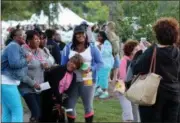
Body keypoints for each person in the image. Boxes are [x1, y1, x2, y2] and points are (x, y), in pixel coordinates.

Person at [133, 17, 180, 122]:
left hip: (153, 96)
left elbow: (136, 68)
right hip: (174, 95)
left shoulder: (151, 52)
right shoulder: (176, 52)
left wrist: (139, 53)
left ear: (157, 34)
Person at [61, 25, 103, 123]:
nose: (80, 36)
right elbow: (62, 64)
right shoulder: (68, 47)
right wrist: (69, 67)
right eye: (78, 34)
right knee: (69, 106)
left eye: (82, 33)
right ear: (74, 35)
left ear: (85, 34)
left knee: (88, 106)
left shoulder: (92, 48)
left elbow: (100, 63)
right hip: (71, 80)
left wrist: (91, 68)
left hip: (87, 78)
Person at [41, 54, 83, 122]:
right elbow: (54, 86)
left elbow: (68, 91)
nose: (71, 64)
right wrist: (58, 101)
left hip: (58, 99)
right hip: (48, 97)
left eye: (75, 64)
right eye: (71, 61)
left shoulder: (74, 76)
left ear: (77, 67)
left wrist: (60, 102)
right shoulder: (59, 69)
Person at [1, 29, 32, 122]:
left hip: (5, 82)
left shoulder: (15, 46)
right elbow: (14, 64)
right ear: (15, 37)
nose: (24, 36)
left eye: (24, 35)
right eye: (21, 35)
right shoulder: (13, 46)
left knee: (8, 111)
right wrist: (27, 60)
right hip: (8, 83)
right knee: (17, 111)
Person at [18, 30, 49, 122]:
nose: (38, 40)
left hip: (39, 87)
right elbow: (20, 73)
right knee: (36, 112)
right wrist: (32, 83)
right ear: (29, 40)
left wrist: (46, 66)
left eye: (39, 38)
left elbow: (44, 63)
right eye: (35, 39)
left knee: (37, 114)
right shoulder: (23, 51)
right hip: (26, 87)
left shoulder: (40, 51)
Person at [118, 40, 140, 122]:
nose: (138, 52)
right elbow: (123, 77)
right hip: (123, 88)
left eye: (139, 50)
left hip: (132, 89)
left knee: (136, 114)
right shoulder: (124, 60)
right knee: (128, 115)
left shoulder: (137, 60)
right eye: (136, 50)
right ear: (130, 51)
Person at [95, 31, 114, 99]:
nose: (98, 37)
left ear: (103, 36)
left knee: (103, 78)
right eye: (98, 36)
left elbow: (108, 53)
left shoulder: (107, 43)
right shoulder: (101, 43)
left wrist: (101, 48)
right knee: (99, 77)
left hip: (106, 64)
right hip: (101, 64)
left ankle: (105, 92)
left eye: (100, 36)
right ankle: (99, 90)